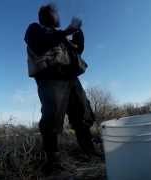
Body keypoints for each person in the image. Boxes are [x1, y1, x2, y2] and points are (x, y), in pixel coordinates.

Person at [24, 3, 98, 174]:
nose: (58, 15)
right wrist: (67, 31)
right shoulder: (34, 29)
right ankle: (53, 162)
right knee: (52, 117)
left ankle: (90, 152)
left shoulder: (61, 36)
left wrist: (78, 33)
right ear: (46, 15)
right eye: (55, 12)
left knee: (82, 114)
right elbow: (39, 44)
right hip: (50, 77)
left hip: (71, 78)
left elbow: (78, 50)